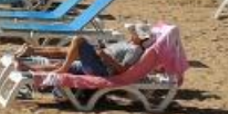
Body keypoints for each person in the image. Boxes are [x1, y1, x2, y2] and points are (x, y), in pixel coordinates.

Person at [15, 23, 152, 78]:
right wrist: (103, 49)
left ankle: (62, 67)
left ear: (140, 38)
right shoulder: (129, 43)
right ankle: (28, 69)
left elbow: (122, 70)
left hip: (102, 69)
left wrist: (104, 56)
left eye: (134, 32)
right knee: (61, 61)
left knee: (79, 40)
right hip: (98, 62)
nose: (131, 33)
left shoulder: (135, 51)